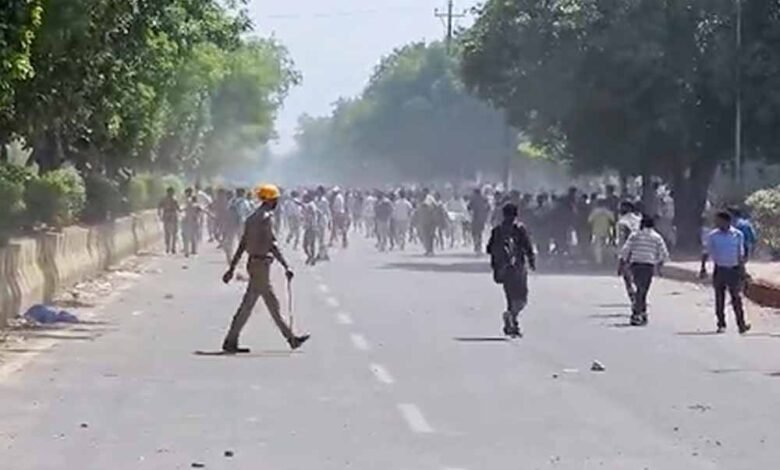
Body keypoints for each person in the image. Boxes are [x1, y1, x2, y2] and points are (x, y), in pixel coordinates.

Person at [221, 184, 310, 353]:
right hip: (261, 266)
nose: (277, 202)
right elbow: (272, 245)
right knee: (270, 304)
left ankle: (231, 340)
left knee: (250, 305)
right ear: (269, 200)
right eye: (275, 199)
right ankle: (290, 338)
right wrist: (286, 266)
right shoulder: (266, 218)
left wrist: (232, 268)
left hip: (253, 263)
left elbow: (242, 244)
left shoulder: (251, 218)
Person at [487, 203, 536, 338]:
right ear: (516, 214)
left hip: (504, 269)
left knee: (510, 296)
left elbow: (489, 249)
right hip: (518, 268)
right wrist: (531, 261)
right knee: (522, 298)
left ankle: (511, 323)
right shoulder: (519, 229)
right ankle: (512, 317)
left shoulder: (497, 230)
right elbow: (528, 247)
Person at [700, 211, 751, 334]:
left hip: (734, 269)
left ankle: (741, 324)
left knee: (736, 298)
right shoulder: (713, 236)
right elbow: (706, 252)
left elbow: (740, 254)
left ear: (727, 221)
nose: (717, 223)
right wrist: (703, 268)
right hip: (720, 269)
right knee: (719, 298)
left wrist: (743, 271)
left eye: (719, 221)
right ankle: (721, 324)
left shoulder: (738, 235)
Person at [618, 216, 670, 326]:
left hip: (636, 265)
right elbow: (664, 254)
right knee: (643, 290)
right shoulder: (657, 237)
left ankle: (639, 313)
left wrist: (621, 265)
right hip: (648, 266)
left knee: (639, 289)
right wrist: (659, 266)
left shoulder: (635, 235)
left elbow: (625, 251)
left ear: (641, 224)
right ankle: (639, 313)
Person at [588, 198, 616, 265]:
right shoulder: (608, 212)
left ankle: (599, 261)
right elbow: (613, 220)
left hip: (596, 231)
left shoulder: (595, 212)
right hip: (606, 231)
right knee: (606, 246)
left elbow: (589, 220)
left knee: (598, 247)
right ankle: (607, 259)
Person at [158, 187, 180, 255]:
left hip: (168, 216)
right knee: (171, 233)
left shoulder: (165, 199)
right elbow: (178, 208)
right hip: (171, 216)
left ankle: (170, 247)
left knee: (169, 233)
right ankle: (171, 247)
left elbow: (159, 207)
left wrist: (160, 214)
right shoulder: (174, 199)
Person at [468, 188, 490, 254]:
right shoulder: (484, 199)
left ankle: (476, 245)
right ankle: (479, 245)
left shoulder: (473, 199)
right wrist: (485, 213)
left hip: (475, 218)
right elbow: (489, 207)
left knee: (474, 232)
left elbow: (468, 207)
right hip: (482, 219)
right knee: (479, 233)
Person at [301, 192, 320, 265]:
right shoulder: (312, 205)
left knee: (306, 245)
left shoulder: (310, 205)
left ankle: (311, 257)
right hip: (311, 227)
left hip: (311, 228)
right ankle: (311, 257)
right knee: (310, 244)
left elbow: (311, 215)